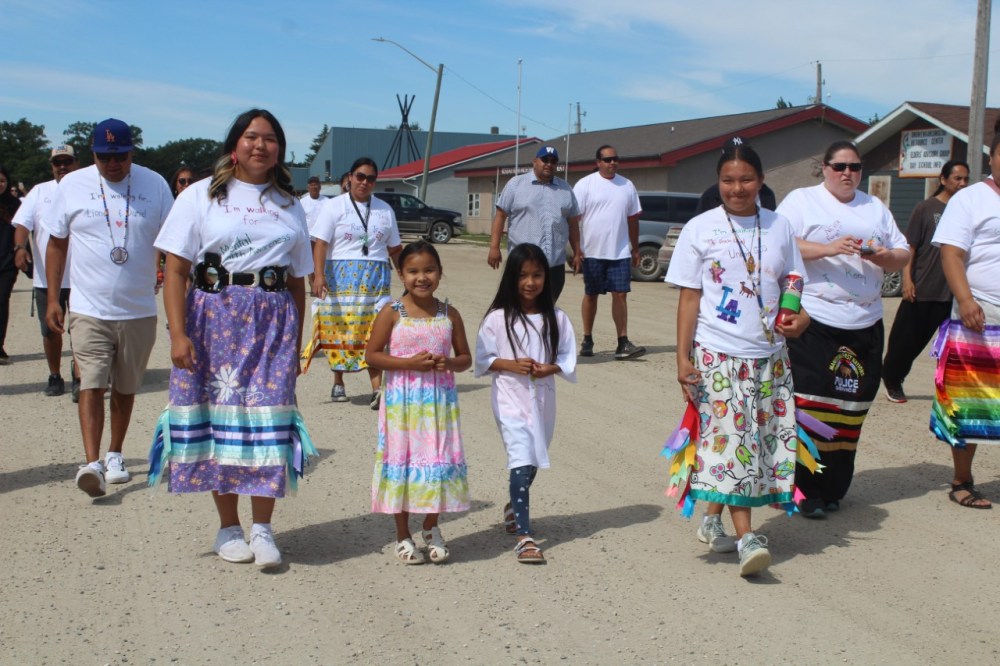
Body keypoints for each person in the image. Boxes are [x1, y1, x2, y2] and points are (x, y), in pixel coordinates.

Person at [148, 109, 317, 568]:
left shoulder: (290, 203)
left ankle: (263, 528)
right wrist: (178, 334)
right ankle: (228, 527)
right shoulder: (202, 196)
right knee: (220, 420)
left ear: (280, 149)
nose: (260, 145)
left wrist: (296, 340)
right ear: (234, 145)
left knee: (269, 420)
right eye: (251, 137)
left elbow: (298, 278)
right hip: (214, 314)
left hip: (272, 321)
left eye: (270, 139)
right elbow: (177, 267)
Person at [665, 139, 810, 577]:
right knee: (734, 443)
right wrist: (682, 358)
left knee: (755, 443)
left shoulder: (780, 225)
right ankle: (748, 538)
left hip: (770, 357)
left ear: (761, 181)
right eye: (728, 180)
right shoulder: (701, 228)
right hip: (718, 356)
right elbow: (690, 298)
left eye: (746, 179)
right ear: (718, 183)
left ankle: (711, 519)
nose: (737, 187)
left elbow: (795, 279)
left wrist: (800, 320)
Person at [776, 140, 909, 518]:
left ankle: (834, 488)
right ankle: (805, 489)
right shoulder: (803, 200)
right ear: (824, 167)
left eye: (855, 166)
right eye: (839, 166)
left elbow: (903, 254)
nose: (847, 173)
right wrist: (829, 247)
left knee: (852, 406)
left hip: (865, 320)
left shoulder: (874, 207)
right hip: (818, 318)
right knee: (813, 404)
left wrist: (883, 256)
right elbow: (781, 244)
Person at [46, 118, 173, 498]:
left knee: (125, 387)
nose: (112, 164)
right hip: (89, 307)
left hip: (137, 308)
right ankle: (92, 463)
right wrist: (54, 297)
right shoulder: (72, 185)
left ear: (132, 152)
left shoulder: (154, 184)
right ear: (93, 154)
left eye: (120, 156)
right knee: (92, 382)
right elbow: (56, 244)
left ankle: (115, 452)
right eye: (104, 157)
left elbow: (175, 242)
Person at [366, 241, 472, 564]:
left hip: (438, 405)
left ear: (440, 273)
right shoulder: (391, 312)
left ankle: (431, 527)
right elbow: (372, 354)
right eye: (413, 271)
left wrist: (449, 364)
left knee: (437, 463)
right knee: (404, 463)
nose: (421, 277)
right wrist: (408, 363)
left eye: (429, 270)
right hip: (402, 406)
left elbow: (465, 357)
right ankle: (402, 534)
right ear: (401, 274)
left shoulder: (449, 313)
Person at [475, 243, 577, 563]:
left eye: (537, 275)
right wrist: (509, 364)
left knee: (534, 455)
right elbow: (483, 359)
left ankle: (512, 506)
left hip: (543, 399)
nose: (530, 282)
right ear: (511, 278)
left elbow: (566, 357)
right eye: (522, 275)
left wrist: (551, 368)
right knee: (520, 456)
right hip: (509, 398)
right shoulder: (497, 318)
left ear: (547, 277)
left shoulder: (557, 318)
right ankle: (524, 535)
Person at [929, 135, 1000, 509]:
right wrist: (966, 299)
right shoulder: (971, 199)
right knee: (971, 401)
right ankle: (962, 479)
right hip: (980, 314)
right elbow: (952, 255)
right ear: (993, 156)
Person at [304, 157, 402, 409]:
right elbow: (320, 244)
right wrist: (319, 275)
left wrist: (406, 273)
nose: (364, 182)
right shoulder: (333, 207)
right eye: (360, 176)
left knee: (375, 332)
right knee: (341, 332)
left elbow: (395, 249)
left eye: (370, 178)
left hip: (376, 281)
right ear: (350, 177)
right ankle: (339, 381)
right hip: (341, 279)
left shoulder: (384, 210)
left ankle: (377, 389)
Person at [882, 160, 969, 403]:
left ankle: (950, 387)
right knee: (906, 339)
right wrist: (907, 280)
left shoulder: (967, 210)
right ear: (943, 180)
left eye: (966, 179)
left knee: (946, 345)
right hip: (923, 286)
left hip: (951, 291)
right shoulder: (926, 208)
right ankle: (892, 378)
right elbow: (910, 246)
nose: (962, 183)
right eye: (957, 178)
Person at [12, 145, 80, 395]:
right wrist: (20, 247)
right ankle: (55, 375)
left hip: (83, 278)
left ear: (77, 163)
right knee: (51, 330)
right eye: (57, 162)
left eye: (67, 161)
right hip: (47, 278)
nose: (62, 166)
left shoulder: (86, 190)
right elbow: (21, 223)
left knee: (82, 331)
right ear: (51, 166)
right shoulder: (40, 192)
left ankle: (79, 377)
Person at [574, 144, 646, 360]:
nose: (612, 163)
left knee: (621, 294)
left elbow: (633, 219)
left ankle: (623, 342)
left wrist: (635, 248)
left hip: (620, 251)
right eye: (607, 159)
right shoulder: (585, 185)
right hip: (593, 251)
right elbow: (573, 220)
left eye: (615, 159)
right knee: (591, 294)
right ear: (598, 162)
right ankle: (587, 339)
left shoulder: (627, 185)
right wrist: (577, 250)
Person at [488, 146, 581, 302]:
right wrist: (494, 247)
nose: (549, 164)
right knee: (516, 308)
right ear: (535, 161)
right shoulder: (516, 184)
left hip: (554, 265)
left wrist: (577, 252)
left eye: (553, 161)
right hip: (522, 264)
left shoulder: (565, 189)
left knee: (547, 312)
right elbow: (500, 215)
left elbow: (572, 224)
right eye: (545, 160)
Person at [0, 165, 22, 365]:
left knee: (1, 301)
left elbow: (22, 231)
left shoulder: (14, 204)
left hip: (6, 262)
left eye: (2, 181)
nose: (0, 185)